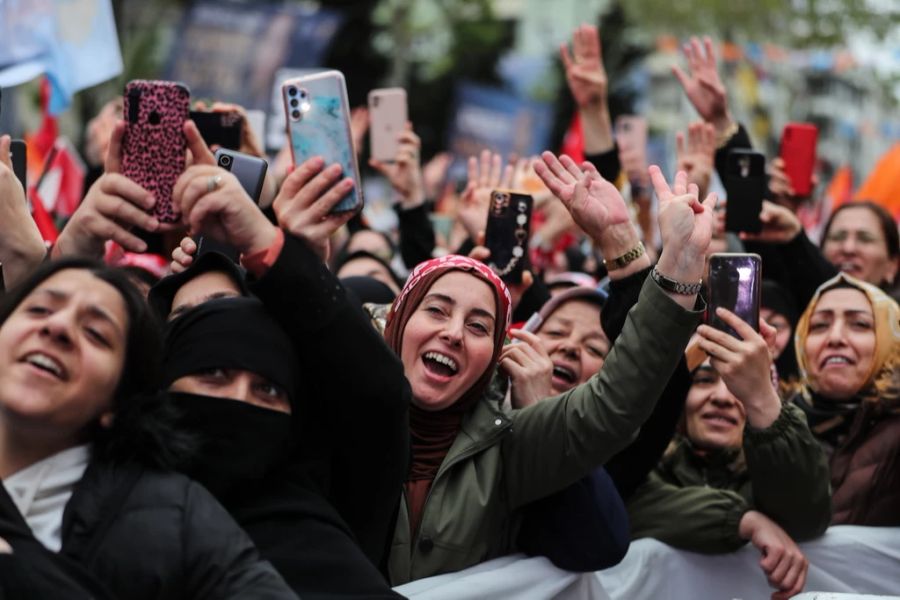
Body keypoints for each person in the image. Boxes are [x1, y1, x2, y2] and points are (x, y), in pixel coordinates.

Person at [384, 148, 716, 584]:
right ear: (397, 320)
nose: (454, 333)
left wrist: (673, 261)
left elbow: (626, 393)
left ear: (495, 355)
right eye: (437, 311)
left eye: (480, 326)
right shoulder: (344, 401)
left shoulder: (507, 445)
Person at [0, 258, 293, 599]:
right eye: (38, 310)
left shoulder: (177, 517)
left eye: (96, 333)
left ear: (118, 400)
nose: (58, 328)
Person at [626, 307, 831, 599]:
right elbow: (627, 506)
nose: (722, 397)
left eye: (739, 385)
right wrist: (742, 520)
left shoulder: (773, 478)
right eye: (704, 380)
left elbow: (806, 517)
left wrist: (760, 398)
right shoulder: (640, 462)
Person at [792, 273, 900, 525]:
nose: (836, 337)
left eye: (860, 324)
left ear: (892, 340)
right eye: (819, 325)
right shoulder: (767, 422)